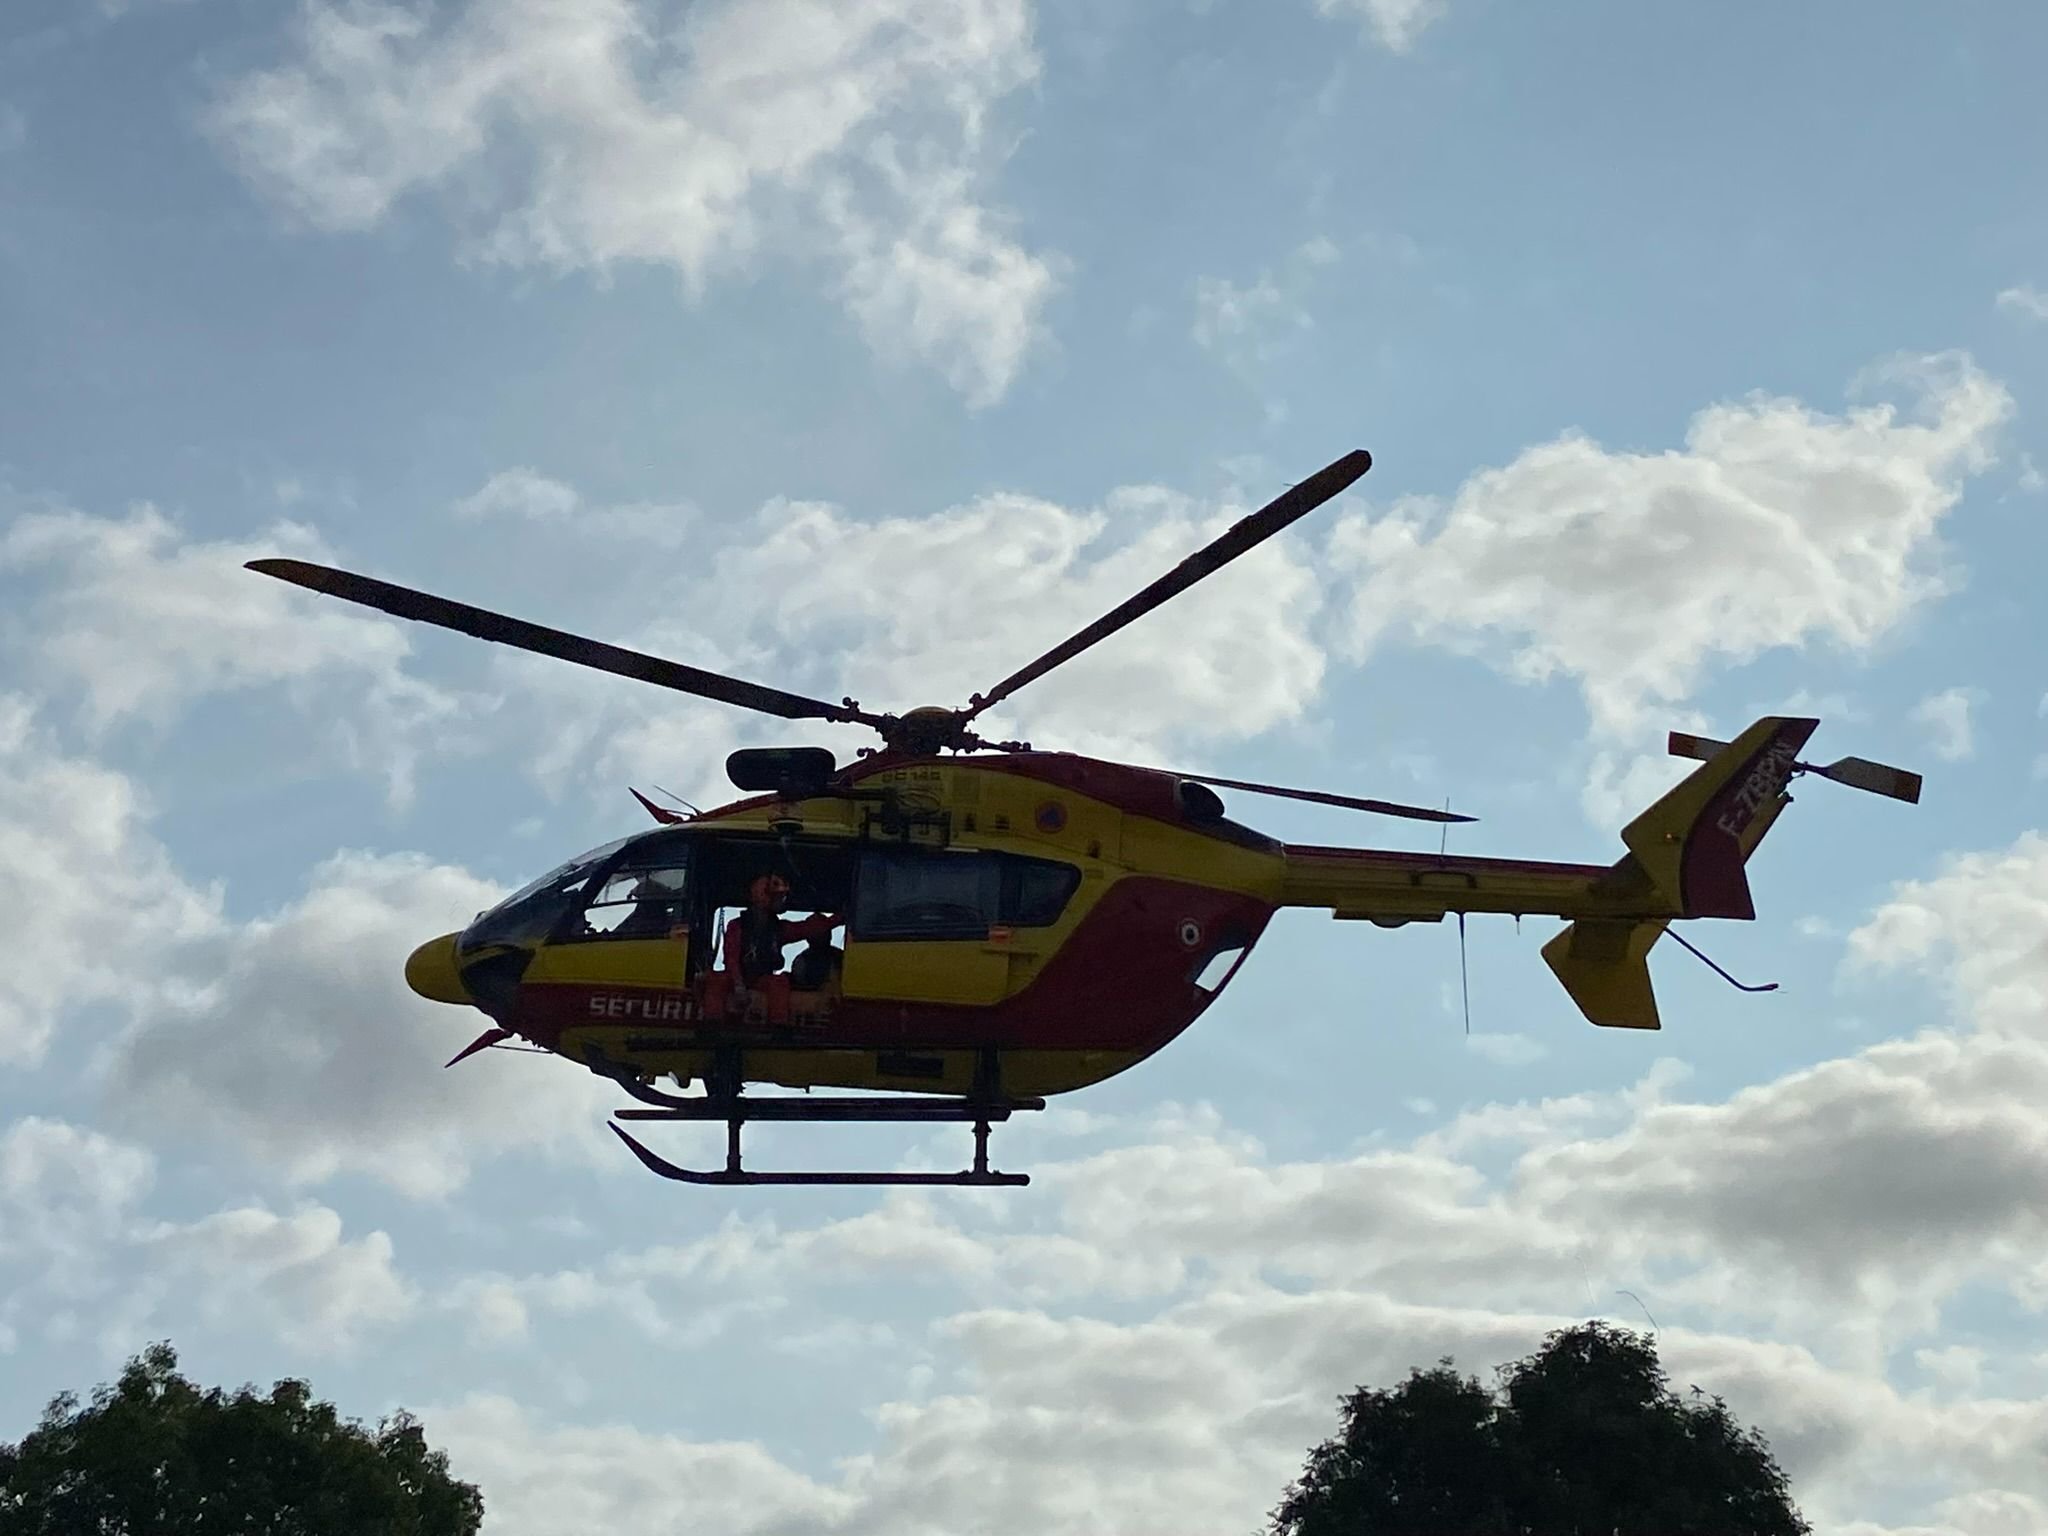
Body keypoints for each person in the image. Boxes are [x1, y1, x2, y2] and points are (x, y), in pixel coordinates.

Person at [724, 873, 842, 1010]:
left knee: (779, 982)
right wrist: (739, 986)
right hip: (737, 981)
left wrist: (840, 918)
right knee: (716, 981)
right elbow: (731, 958)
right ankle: (711, 1026)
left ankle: (779, 1027)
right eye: (778, 897)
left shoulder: (778, 929)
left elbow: (806, 929)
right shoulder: (737, 927)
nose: (782, 901)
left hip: (761, 981)